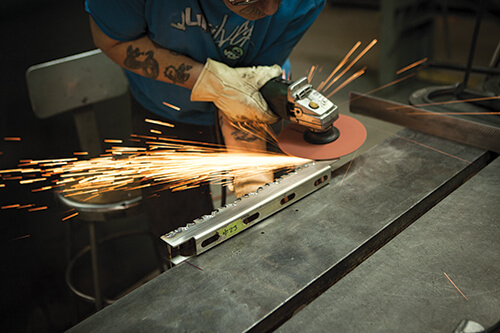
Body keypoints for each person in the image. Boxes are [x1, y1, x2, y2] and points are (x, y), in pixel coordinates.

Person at [85, 0, 326, 261]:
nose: (270, 10)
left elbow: (249, 87)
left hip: (261, 93)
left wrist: (253, 179)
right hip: (167, 110)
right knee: (181, 243)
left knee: (283, 220)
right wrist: (208, 80)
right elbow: (112, 41)